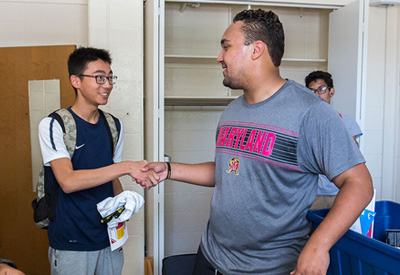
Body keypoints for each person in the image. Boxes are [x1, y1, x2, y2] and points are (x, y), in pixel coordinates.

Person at [142, 9, 374, 275]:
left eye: (226, 47)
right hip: (210, 256)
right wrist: (169, 170)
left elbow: (359, 183)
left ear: (256, 50)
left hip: (267, 269)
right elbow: (228, 170)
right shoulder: (233, 111)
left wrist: (318, 245)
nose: (219, 58)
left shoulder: (312, 113)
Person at [38, 47, 159, 275]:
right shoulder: (54, 125)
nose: (107, 84)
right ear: (76, 80)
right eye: (99, 77)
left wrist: (125, 203)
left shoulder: (113, 126)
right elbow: (67, 181)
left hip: (108, 240)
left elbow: (112, 177)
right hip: (70, 242)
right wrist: (126, 167)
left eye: (110, 77)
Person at [305, 70, 363, 210]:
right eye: (311, 91)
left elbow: (351, 158)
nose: (317, 95)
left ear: (331, 91)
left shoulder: (346, 122)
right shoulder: (303, 123)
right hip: (311, 194)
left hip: (340, 192)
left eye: (321, 89)